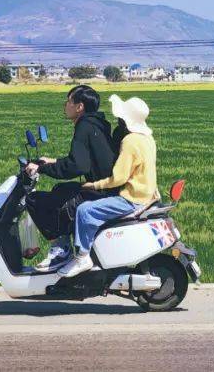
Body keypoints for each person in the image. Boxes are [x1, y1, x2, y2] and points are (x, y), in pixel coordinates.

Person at [59, 94, 160, 278]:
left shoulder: (130, 141)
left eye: (120, 118)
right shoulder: (147, 138)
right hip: (147, 196)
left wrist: (94, 185)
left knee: (84, 211)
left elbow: (119, 178)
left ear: (125, 120)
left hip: (131, 199)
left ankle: (82, 257)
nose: (117, 120)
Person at [25, 85, 117, 271]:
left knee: (35, 200)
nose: (65, 106)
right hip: (106, 187)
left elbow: (78, 166)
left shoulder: (84, 126)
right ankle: (64, 245)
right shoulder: (98, 124)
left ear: (79, 107)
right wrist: (52, 161)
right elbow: (85, 160)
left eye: (68, 101)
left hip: (102, 192)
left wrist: (43, 169)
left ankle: (61, 250)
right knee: (60, 190)